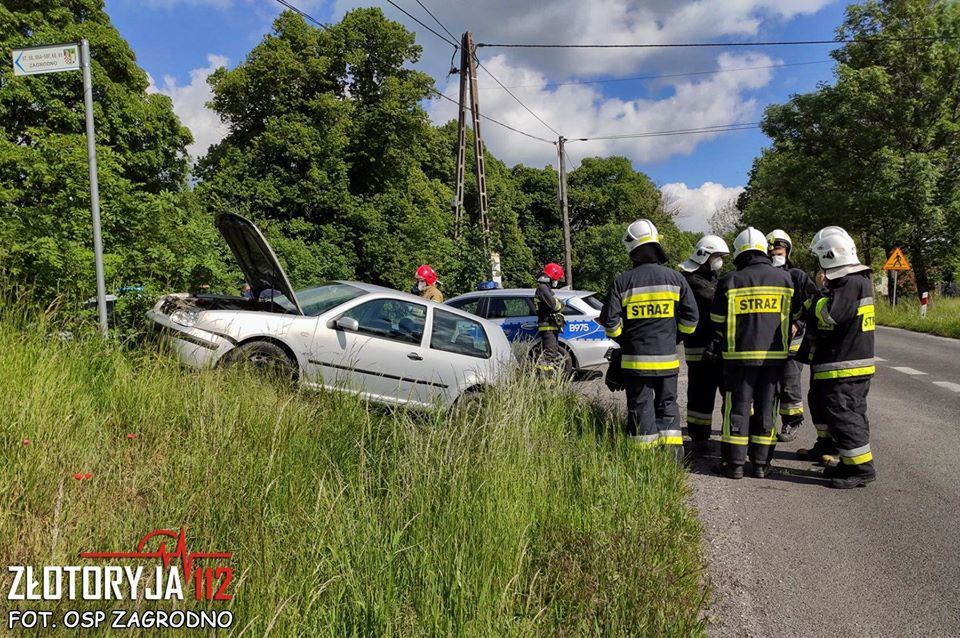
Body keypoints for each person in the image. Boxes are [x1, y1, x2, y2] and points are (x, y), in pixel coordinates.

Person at [600, 219, 698, 460]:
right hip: (667, 361)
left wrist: (626, 341)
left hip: (635, 363)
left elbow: (610, 324)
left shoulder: (622, 282)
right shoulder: (676, 278)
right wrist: (674, 337)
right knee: (668, 407)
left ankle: (644, 464)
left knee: (641, 408)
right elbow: (692, 318)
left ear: (631, 249)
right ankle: (673, 461)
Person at [710, 227, 800, 479]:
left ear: (739, 252)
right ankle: (761, 465)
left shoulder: (730, 281)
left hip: (738, 359)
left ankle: (734, 465)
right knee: (766, 410)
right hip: (774, 359)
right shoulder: (785, 280)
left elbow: (717, 319)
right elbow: (793, 316)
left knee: (737, 409)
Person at [800, 229, 877, 488]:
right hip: (843, 363)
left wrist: (815, 301)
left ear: (829, 256)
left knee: (845, 415)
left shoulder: (850, 282)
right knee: (841, 412)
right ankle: (847, 461)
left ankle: (860, 469)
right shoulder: (857, 280)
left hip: (844, 365)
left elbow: (831, 315)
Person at [796, 226, 854, 462]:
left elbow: (829, 315)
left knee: (838, 408)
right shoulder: (837, 283)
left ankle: (847, 457)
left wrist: (820, 292)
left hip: (838, 360)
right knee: (818, 401)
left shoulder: (848, 283)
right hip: (822, 357)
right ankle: (824, 444)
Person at [678, 235, 730, 452]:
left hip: (715, 345)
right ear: (705, 256)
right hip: (700, 347)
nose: (720, 260)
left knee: (722, 391)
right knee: (701, 393)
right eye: (717, 256)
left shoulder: (712, 277)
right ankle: (699, 438)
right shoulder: (693, 280)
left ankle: (717, 436)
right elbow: (716, 300)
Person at [766, 230, 817, 442]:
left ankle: (791, 422)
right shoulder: (762, 275)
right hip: (767, 338)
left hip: (792, 339)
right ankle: (765, 424)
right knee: (767, 384)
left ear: (787, 251)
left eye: (778, 250)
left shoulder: (798, 276)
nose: (774, 254)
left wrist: (799, 322)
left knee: (789, 381)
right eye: (770, 251)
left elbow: (813, 303)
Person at [533, 262, 566, 377]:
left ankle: (546, 377)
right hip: (547, 326)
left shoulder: (545, 289)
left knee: (551, 353)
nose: (556, 282)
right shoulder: (542, 289)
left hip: (550, 326)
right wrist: (560, 304)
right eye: (556, 279)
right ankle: (545, 379)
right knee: (549, 354)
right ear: (551, 277)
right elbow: (554, 305)